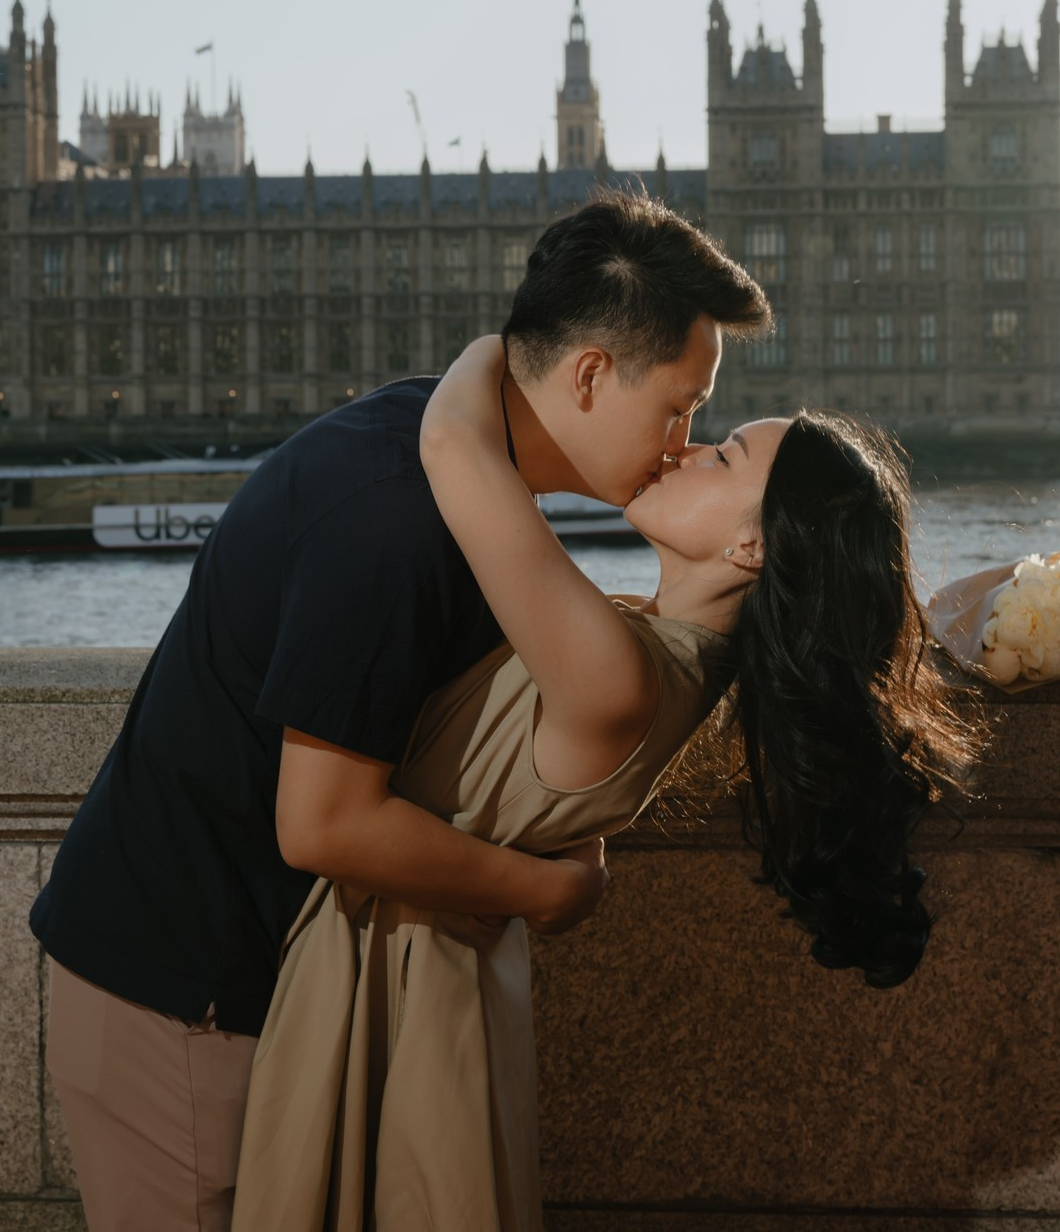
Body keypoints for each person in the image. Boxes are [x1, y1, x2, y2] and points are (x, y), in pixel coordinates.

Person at [29, 189, 770, 1232]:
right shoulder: (394, 520)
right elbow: (323, 821)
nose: (685, 440)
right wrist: (545, 893)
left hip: (256, 988)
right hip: (185, 999)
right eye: (681, 408)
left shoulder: (456, 455)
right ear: (592, 374)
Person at [229, 335, 986, 1231]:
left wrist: (512, 344)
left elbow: (454, 449)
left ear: (751, 545)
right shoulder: (675, 663)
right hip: (436, 986)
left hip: (392, 997)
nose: (687, 445)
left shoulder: (615, 674)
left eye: (724, 450)